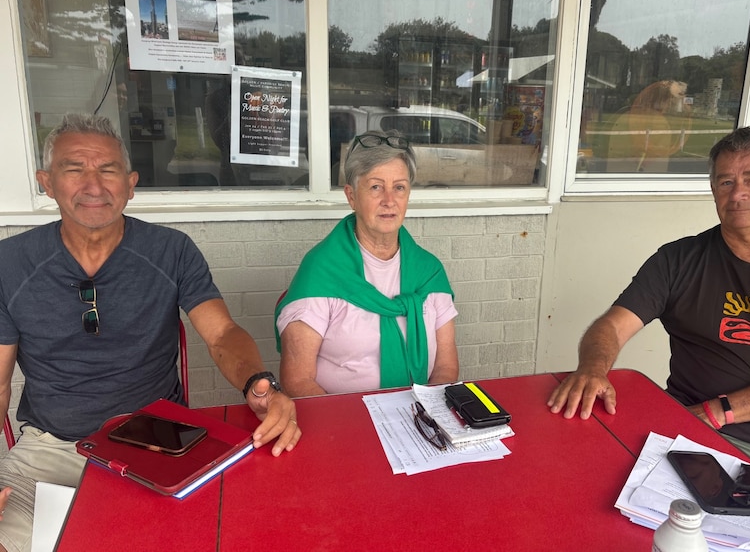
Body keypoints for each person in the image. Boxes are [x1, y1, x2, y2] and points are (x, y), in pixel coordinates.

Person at [0, 113, 301, 552]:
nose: (94, 185)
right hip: (49, 451)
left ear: (131, 182)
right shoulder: (10, 263)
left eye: (107, 170)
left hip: (159, 445)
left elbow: (221, 334)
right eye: (74, 169)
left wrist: (260, 383)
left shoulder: (171, 250)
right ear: (46, 182)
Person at [547, 126, 750, 540]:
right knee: (626, 526)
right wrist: (592, 367)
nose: (738, 194)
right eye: (725, 181)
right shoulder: (679, 259)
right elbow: (612, 324)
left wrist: (718, 411)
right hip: (698, 440)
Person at [275, 130, 459, 396]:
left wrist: (427, 415)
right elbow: (298, 381)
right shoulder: (321, 272)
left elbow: (445, 367)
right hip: (342, 422)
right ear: (351, 196)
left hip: (418, 418)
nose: (389, 200)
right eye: (375, 187)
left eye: (399, 187)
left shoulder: (429, 272)